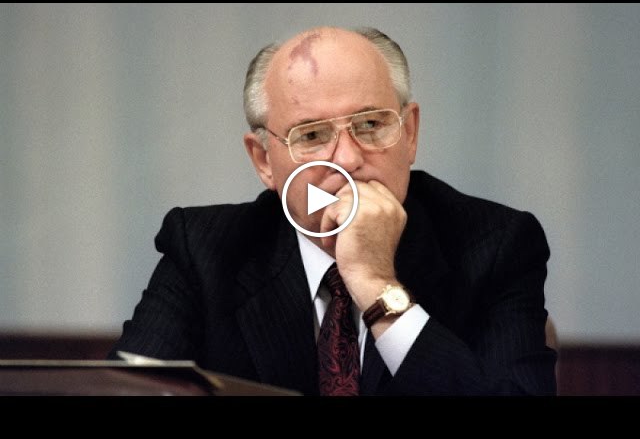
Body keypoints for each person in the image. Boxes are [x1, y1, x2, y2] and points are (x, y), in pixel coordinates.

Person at [108, 26, 557, 395]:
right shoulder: (203, 250)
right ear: (263, 160)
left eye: (370, 124)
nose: (346, 159)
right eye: (311, 135)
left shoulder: (495, 245)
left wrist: (377, 285)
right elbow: (128, 390)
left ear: (410, 134)